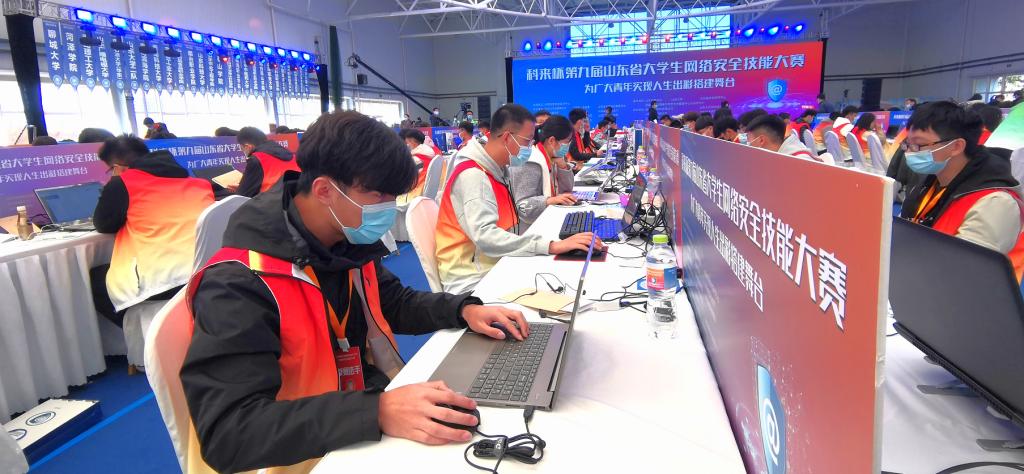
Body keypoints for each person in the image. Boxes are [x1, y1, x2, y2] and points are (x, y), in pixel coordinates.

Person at [181, 110, 529, 473]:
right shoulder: (238, 284)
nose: (387, 208)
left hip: (347, 421)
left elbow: (393, 302)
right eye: (377, 195)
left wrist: (463, 310)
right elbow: (229, 433)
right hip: (297, 458)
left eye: (392, 196)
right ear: (324, 191)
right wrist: (375, 411)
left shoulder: (340, 241)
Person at [435, 104, 604, 294]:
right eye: (528, 141)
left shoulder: (498, 169)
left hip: (497, 262)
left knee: (564, 280)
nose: (530, 147)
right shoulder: (474, 175)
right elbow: (487, 238)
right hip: (473, 279)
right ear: (507, 137)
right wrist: (552, 246)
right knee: (562, 288)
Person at [94, 135, 215, 373]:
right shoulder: (197, 183)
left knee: (95, 279)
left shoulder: (123, 184)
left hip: (163, 282)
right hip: (207, 270)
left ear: (118, 167)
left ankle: (154, 340)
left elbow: (103, 224)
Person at [899, 101, 1024, 280]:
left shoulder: (995, 203)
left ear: (956, 146)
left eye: (919, 145)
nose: (910, 152)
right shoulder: (932, 181)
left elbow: (963, 274)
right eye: (907, 144)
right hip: (918, 276)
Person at [510, 114, 577, 226]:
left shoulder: (552, 157)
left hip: (545, 220)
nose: (568, 146)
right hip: (528, 229)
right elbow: (522, 206)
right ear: (552, 140)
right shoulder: (530, 161)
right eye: (566, 141)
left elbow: (567, 190)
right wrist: (550, 201)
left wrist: (563, 166)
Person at [236, 126, 300, 198]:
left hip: (274, 202)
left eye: (242, 149)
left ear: (247, 146)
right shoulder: (291, 154)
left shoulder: (257, 159)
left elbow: (242, 195)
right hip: (297, 198)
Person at [745, 114, 816, 161]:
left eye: (748, 138)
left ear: (761, 140)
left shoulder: (799, 162)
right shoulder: (776, 155)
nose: (747, 143)